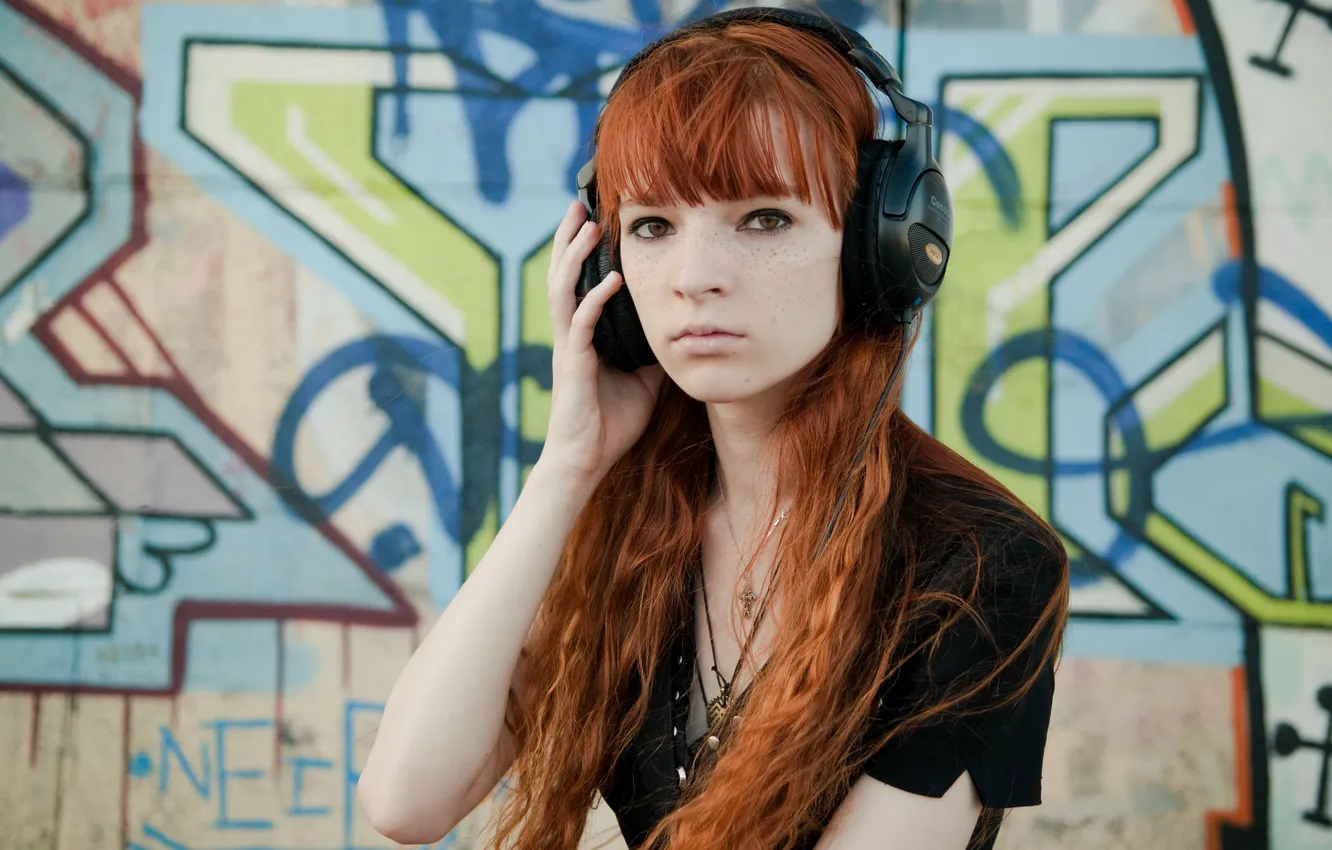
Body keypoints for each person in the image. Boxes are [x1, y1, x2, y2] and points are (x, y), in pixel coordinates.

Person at [356, 7, 1070, 850]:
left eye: (764, 218)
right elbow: (407, 800)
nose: (694, 278)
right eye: (653, 226)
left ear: (879, 247)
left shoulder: (982, 564)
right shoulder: (629, 524)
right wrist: (566, 468)